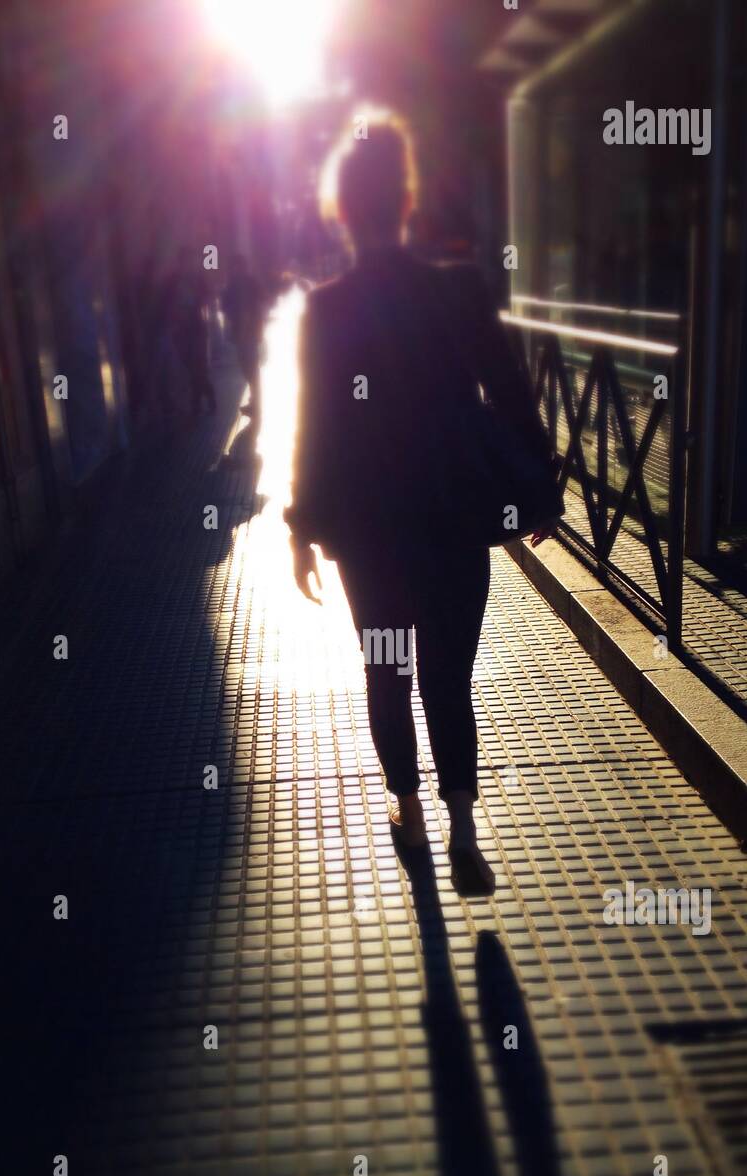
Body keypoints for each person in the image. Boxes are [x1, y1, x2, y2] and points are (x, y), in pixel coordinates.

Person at [285, 117, 554, 896]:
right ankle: (465, 823)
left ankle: (408, 810)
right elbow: (510, 393)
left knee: (387, 672)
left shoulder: (328, 309)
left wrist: (303, 528)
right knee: (448, 677)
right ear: (405, 199)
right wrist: (535, 485)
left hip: (370, 531)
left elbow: (314, 426)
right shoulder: (456, 290)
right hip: (451, 514)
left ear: (341, 208)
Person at [168, 246, 216, 417]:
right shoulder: (173, 280)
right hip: (181, 331)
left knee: (198, 365)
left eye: (190, 261)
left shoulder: (198, 279)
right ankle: (207, 393)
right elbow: (168, 302)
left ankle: (199, 402)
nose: (188, 265)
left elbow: (208, 296)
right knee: (190, 367)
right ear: (180, 262)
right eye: (185, 261)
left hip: (197, 328)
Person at [221, 253, 265, 432]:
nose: (235, 269)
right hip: (241, 332)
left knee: (251, 366)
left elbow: (259, 304)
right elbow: (226, 306)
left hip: (250, 332)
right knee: (246, 365)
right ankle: (255, 400)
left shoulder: (250, 283)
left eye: (237, 266)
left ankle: (256, 402)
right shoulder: (232, 284)